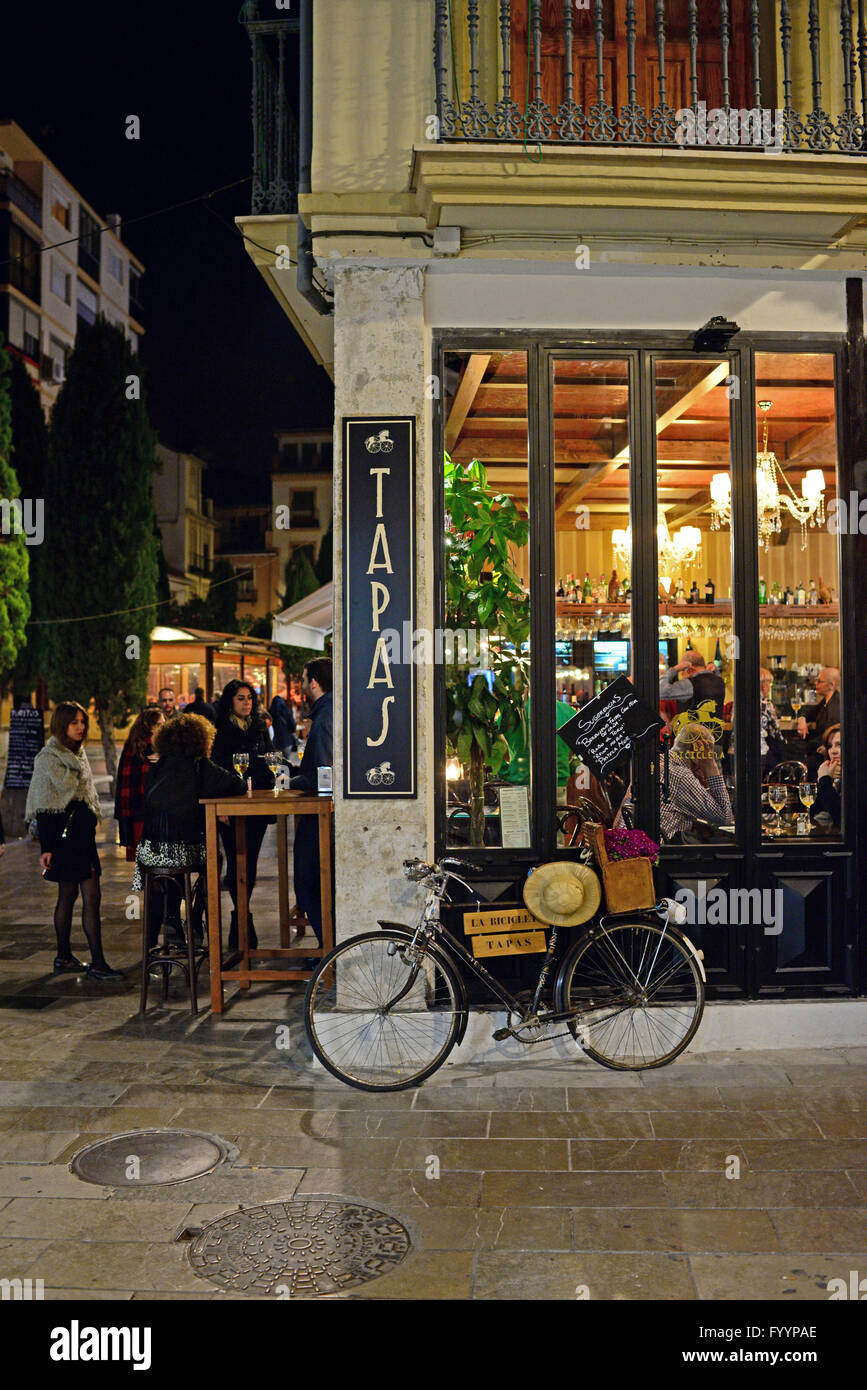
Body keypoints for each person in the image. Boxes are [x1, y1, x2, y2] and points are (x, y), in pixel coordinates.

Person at [24, 702, 122, 981]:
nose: (80, 727)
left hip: (82, 835)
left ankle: (66, 956)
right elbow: (44, 805)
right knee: (83, 895)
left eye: (82, 722)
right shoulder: (48, 758)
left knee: (78, 895)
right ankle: (92, 960)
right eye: (74, 722)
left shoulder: (78, 755)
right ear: (61, 724)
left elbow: (86, 795)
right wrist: (47, 848)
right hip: (64, 839)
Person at [133, 714, 246, 945]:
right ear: (201, 740)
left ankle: (171, 919)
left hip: (149, 851)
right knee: (214, 859)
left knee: (171, 871)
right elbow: (238, 784)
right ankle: (196, 916)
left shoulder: (157, 767)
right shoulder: (200, 766)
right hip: (184, 849)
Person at [211, 679, 275, 949]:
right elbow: (213, 766)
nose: (246, 702)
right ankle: (241, 920)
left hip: (256, 803)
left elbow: (271, 757)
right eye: (240, 698)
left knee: (250, 861)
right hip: (230, 804)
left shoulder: (260, 728)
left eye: (249, 697)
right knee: (236, 861)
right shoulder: (219, 729)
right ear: (230, 701)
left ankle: (243, 915)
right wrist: (220, 802)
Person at [289, 659, 333, 962]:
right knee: (315, 884)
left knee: (308, 884)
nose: (303, 685)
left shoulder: (324, 718)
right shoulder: (328, 713)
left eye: (304, 679)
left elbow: (325, 773)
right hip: (322, 812)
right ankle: (327, 948)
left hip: (321, 814)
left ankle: (329, 951)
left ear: (314, 683)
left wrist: (290, 777)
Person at [797, 668, 840, 762]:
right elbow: (808, 711)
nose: (816, 683)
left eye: (820, 681)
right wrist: (802, 719)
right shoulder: (825, 701)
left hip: (824, 749)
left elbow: (830, 735)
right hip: (817, 744)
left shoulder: (836, 705)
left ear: (831, 685)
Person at [811, 723, 841, 827]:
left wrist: (825, 780)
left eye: (839, 745)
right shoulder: (830, 776)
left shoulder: (858, 778)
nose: (833, 751)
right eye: (829, 746)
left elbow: (839, 816)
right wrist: (823, 779)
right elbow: (812, 813)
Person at [760, 668, 785, 774]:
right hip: (761, 751)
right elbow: (776, 732)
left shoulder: (738, 702)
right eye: (769, 684)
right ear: (764, 686)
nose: (769, 688)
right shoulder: (765, 704)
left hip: (735, 751)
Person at [270, 693, 297, 758]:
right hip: (286, 741)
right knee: (286, 764)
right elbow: (293, 726)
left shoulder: (270, 713)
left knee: (277, 764)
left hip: (275, 743)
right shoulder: (286, 711)